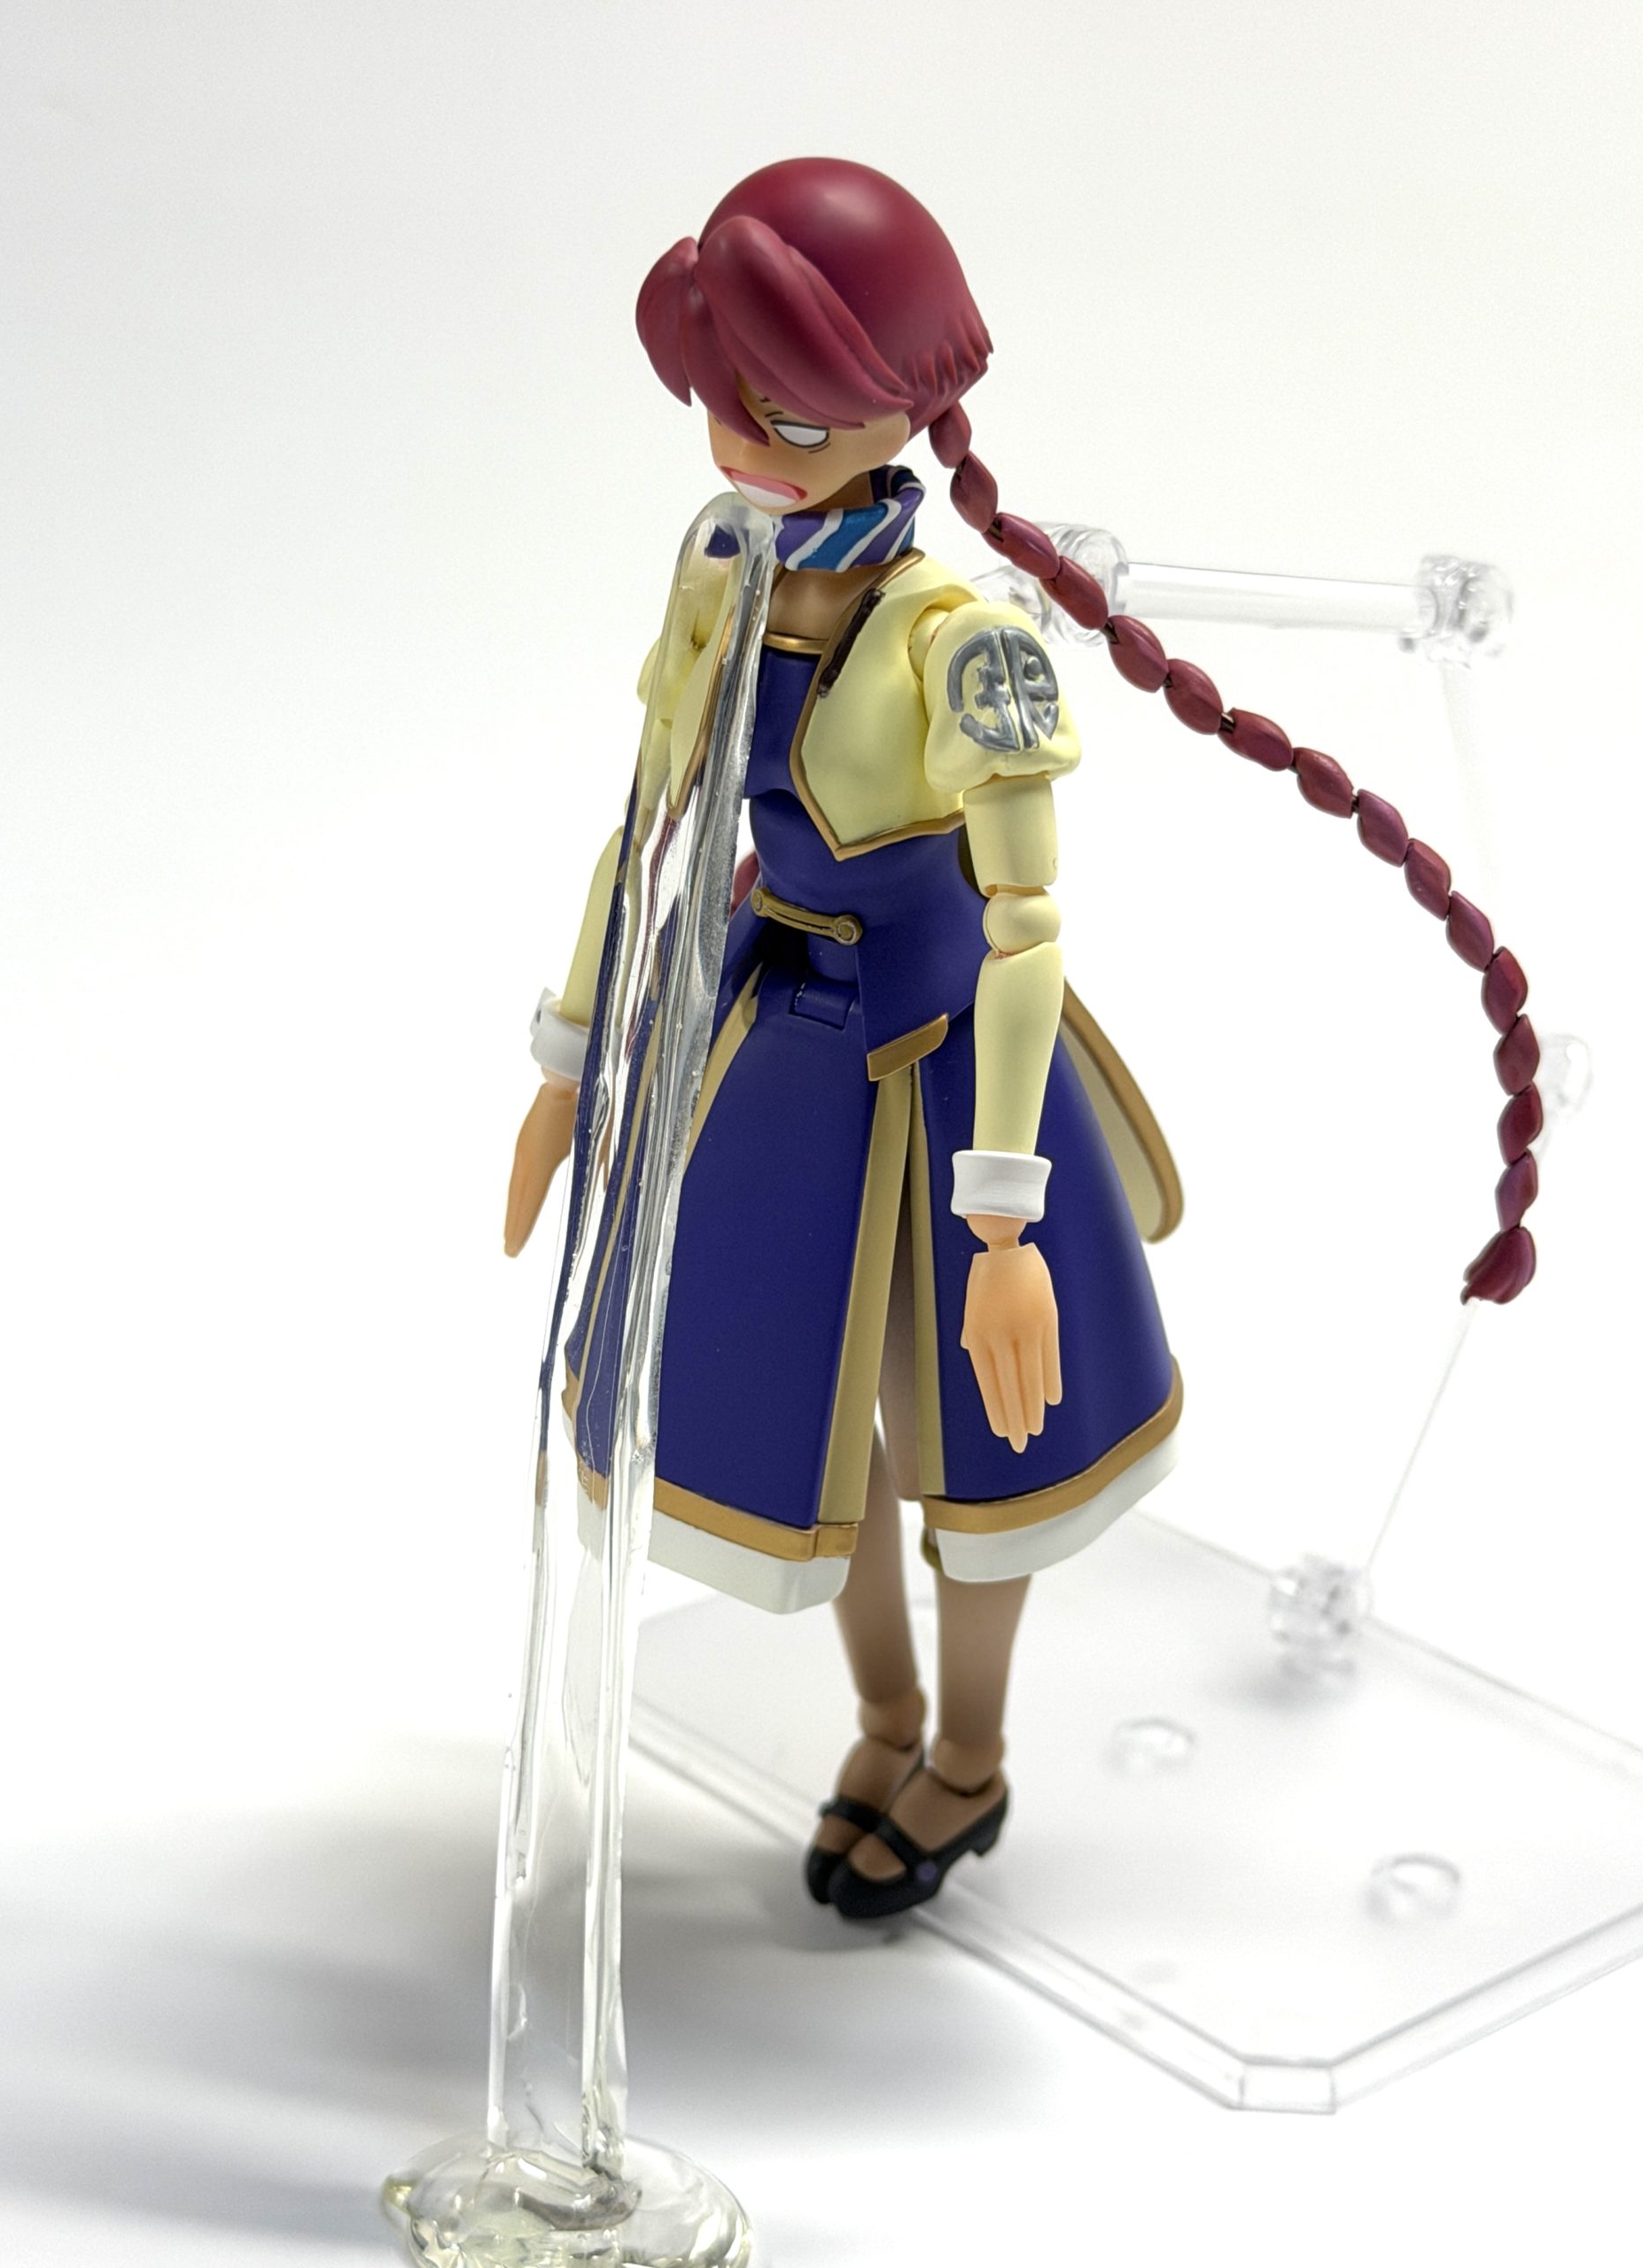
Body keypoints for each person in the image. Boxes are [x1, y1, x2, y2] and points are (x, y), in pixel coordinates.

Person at [502, 159, 1541, 1922]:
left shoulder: (964, 642)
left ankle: (967, 1755)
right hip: (785, 1044)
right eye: (727, 402)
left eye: (789, 410)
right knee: (804, 1416)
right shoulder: (721, 578)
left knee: (976, 1445)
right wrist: (569, 1052)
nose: (749, 445)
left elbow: (1024, 929)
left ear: (894, 406)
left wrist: (1001, 1223)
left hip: (949, 1063)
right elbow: (654, 824)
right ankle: (883, 1718)